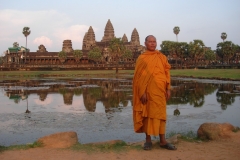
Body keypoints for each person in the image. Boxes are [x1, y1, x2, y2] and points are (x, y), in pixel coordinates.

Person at [132, 35, 176, 150]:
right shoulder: (142, 58)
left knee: (161, 116)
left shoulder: (161, 57)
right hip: (148, 92)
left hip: (160, 91)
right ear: (145, 43)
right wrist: (142, 92)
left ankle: (163, 141)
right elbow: (139, 77)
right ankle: (148, 141)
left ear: (156, 43)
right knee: (147, 115)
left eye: (154, 41)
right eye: (150, 42)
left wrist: (168, 88)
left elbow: (167, 73)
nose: (152, 43)